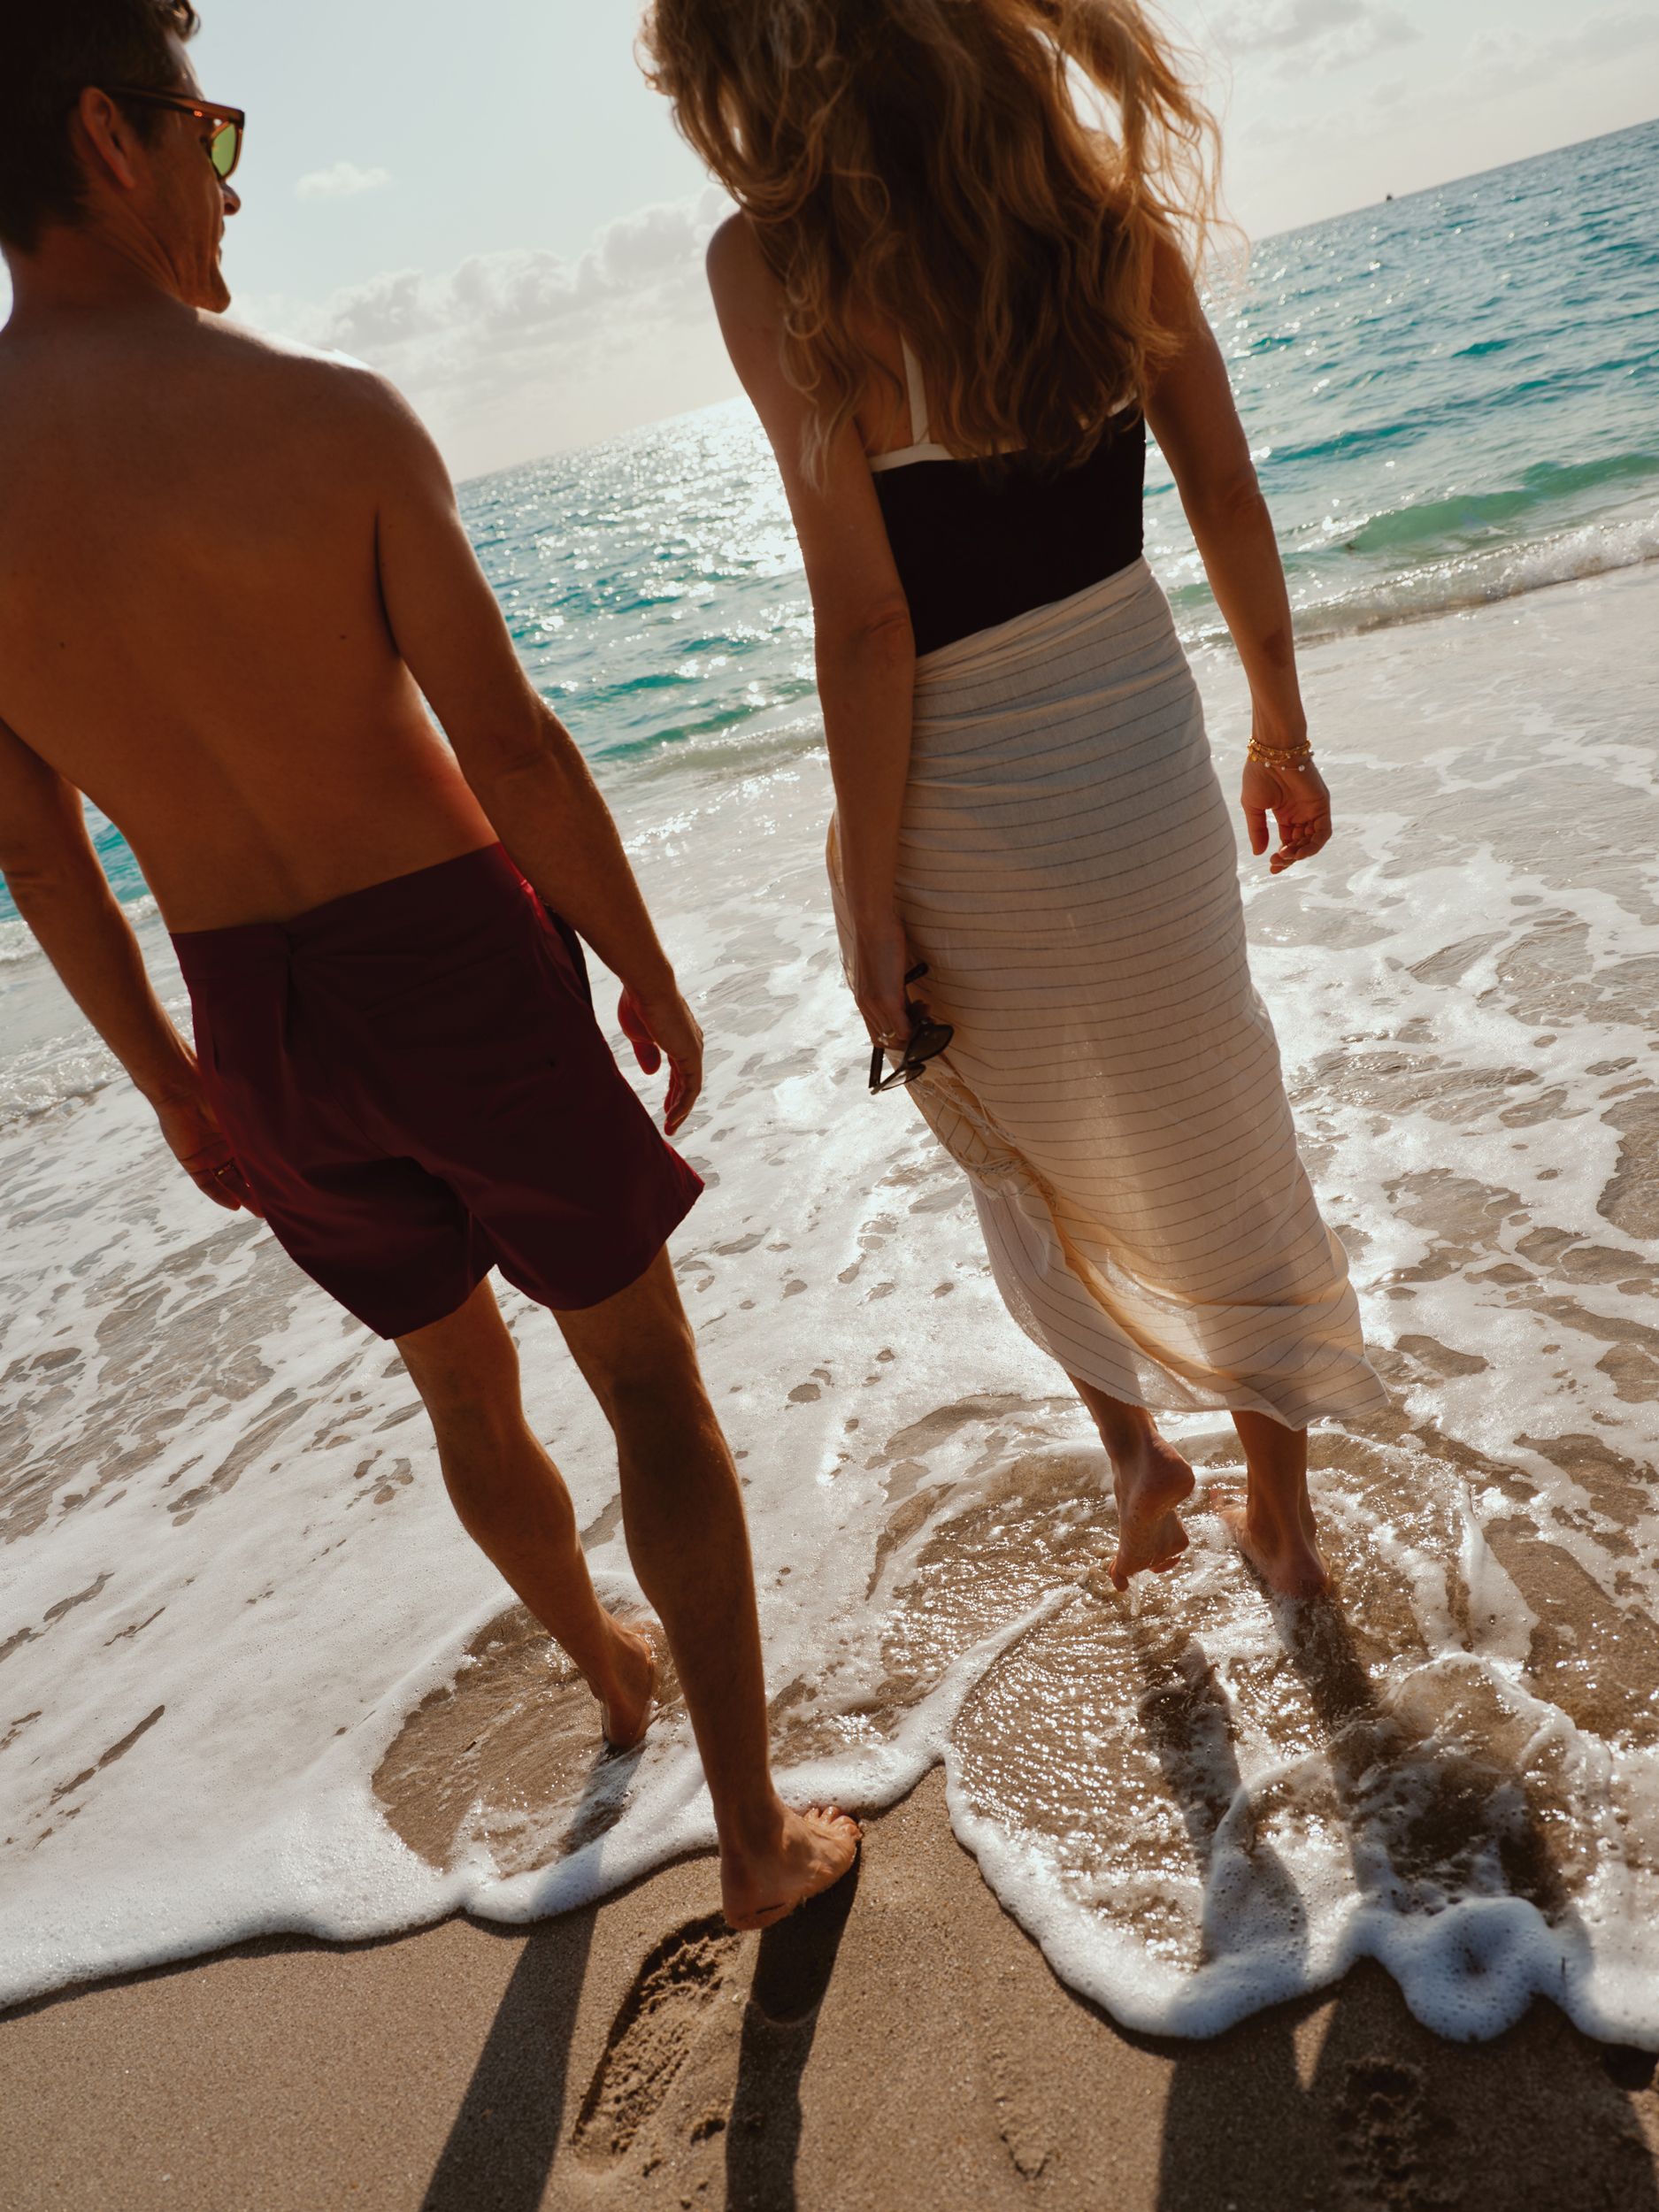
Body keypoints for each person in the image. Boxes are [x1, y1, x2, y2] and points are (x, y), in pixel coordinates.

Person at [0, 0, 857, 1928]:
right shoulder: (328, 420)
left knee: (458, 1391)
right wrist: (637, 955)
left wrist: (173, 1084)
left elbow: (40, 857)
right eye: (210, 134)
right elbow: (515, 749)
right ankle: (751, 1838)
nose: (232, 182)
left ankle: (607, 1672)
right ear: (109, 141)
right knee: (647, 1386)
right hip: (453, 967)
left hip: (252, 1021)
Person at [642, 0, 1389, 1600]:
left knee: (1018, 1147)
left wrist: (866, 894)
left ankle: (1139, 1462)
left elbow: (868, 622)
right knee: (1217, 1117)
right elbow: (1224, 487)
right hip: (1136, 745)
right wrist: (1282, 729)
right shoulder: (1099, 218)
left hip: (955, 786)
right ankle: (1282, 1521)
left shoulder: (772, 266)